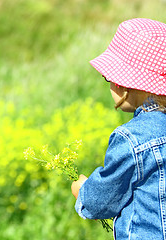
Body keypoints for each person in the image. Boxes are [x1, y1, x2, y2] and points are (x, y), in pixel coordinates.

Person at [71, 18, 166, 239]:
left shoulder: (134, 138)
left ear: (124, 84)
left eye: (109, 79)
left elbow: (98, 202)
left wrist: (81, 191)